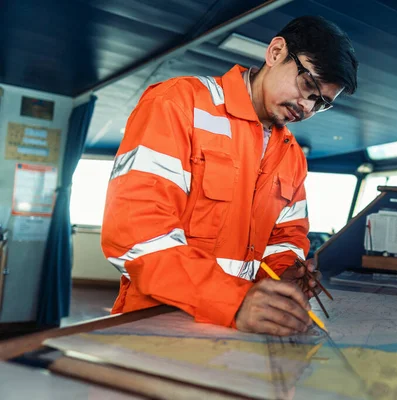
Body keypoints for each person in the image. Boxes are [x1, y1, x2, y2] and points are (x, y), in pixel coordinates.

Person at [101, 15, 358, 336]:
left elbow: (285, 238)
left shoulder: (291, 156)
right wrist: (233, 302)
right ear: (276, 52)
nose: (306, 107)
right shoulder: (178, 104)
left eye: (321, 104)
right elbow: (135, 235)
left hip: (241, 327)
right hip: (160, 321)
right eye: (308, 85)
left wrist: (287, 275)